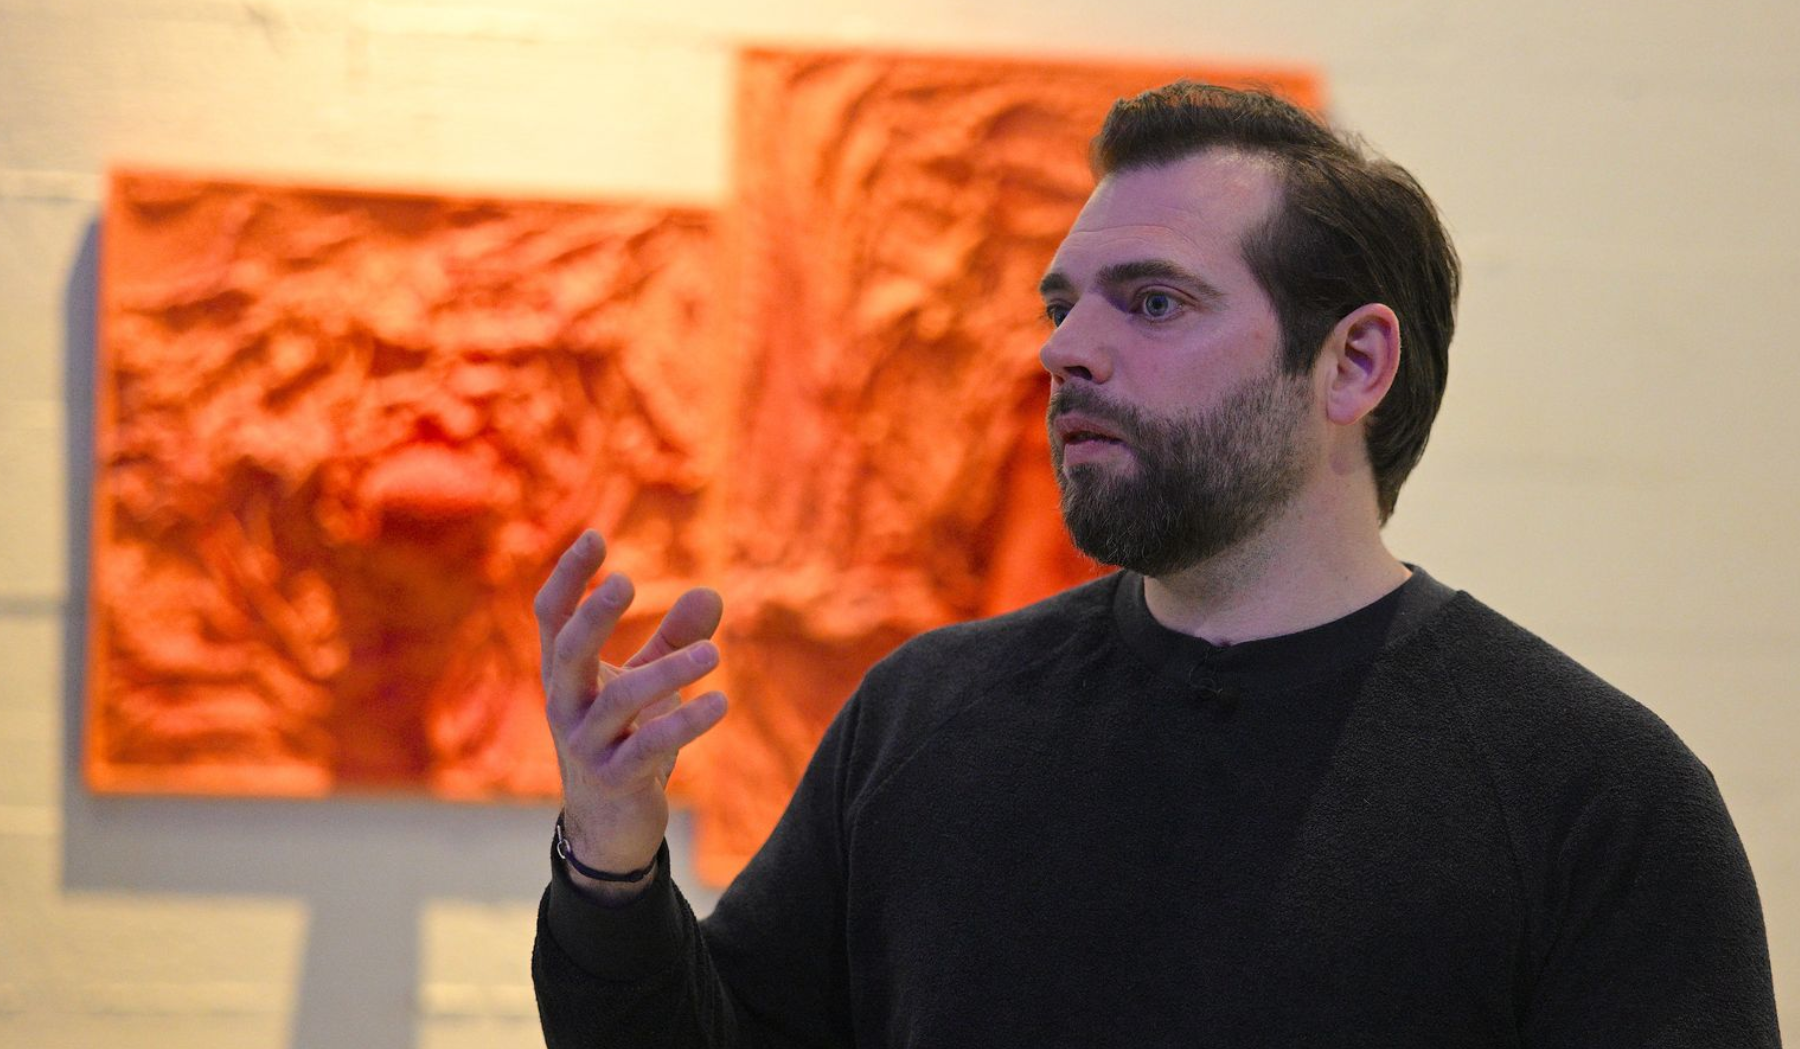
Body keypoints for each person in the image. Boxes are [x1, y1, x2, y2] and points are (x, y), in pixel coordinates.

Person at [529, 82, 1781, 1047]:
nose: (1064, 349)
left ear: (1353, 364)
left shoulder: (1594, 793)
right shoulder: (924, 718)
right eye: (1062, 305)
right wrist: (611, 854)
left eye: (1154, 302)